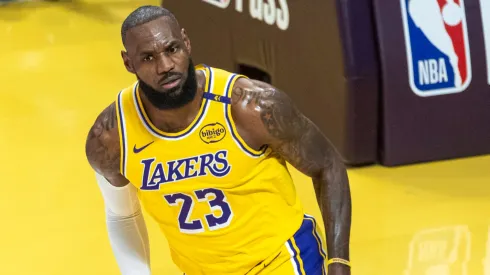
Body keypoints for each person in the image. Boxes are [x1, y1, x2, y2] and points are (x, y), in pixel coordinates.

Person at [84, 5, 352, 275]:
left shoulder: (250, 107)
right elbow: (123, 215)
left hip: (280, 260)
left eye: (172, 49)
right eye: (148, 58)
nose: (165, 66)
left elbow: (327, 164)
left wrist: (339, 263)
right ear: (128, 63)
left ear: (186, 43)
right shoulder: (110, 137)